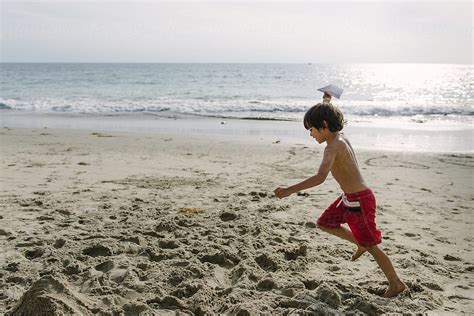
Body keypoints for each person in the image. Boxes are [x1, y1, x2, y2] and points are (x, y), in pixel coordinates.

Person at [273, 102, 406, 298]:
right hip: (349, 198)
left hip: (360, 201)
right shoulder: (341, 139)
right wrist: (326, 101)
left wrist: (289, 190)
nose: (311, 134)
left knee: (372, 246)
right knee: (325, 223)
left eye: (311, 129)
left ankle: (396, 283)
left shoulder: (332, 148)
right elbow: (329, 115)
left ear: (324, 126)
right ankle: (358, 242)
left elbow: (319, 178)